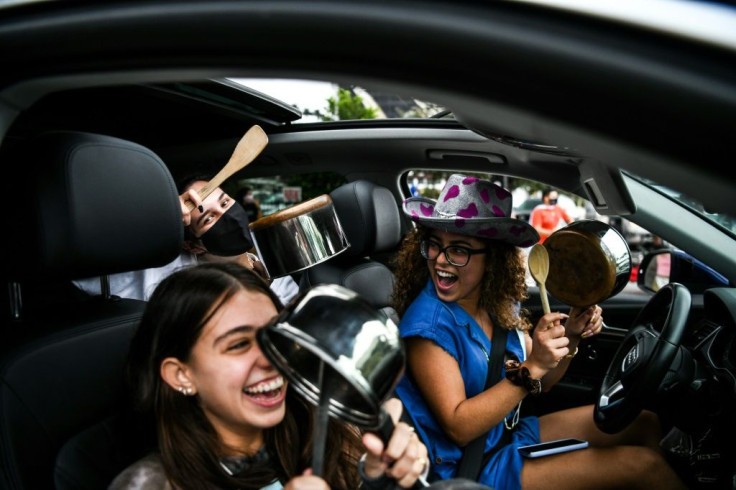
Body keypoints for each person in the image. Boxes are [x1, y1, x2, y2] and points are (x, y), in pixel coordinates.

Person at [391, 174, 686, 489]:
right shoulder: (427, 326)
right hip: (471, 467)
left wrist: (569, 336)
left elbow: (543, 383)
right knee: (644, 467)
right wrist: (532, 368)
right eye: (434, 245)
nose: (439, 260)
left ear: (493, 258)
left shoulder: (497, 302)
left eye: (459, 250)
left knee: (644, 422)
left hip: (506, 435)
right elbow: (459, 427)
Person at [110, 261, 430, 490]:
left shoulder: (326, 431)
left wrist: (378, 476)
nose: (271, 359)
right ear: (182, 375)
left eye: (273, 336)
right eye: (237, 344)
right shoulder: (150, 484)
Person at [74, 175, 299, 305]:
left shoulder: (275, 272)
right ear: (193, 245)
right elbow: (85, 263)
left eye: (225, 203)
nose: (226, 216)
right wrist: (155, 220)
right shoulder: (162, 278)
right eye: (209, 217)